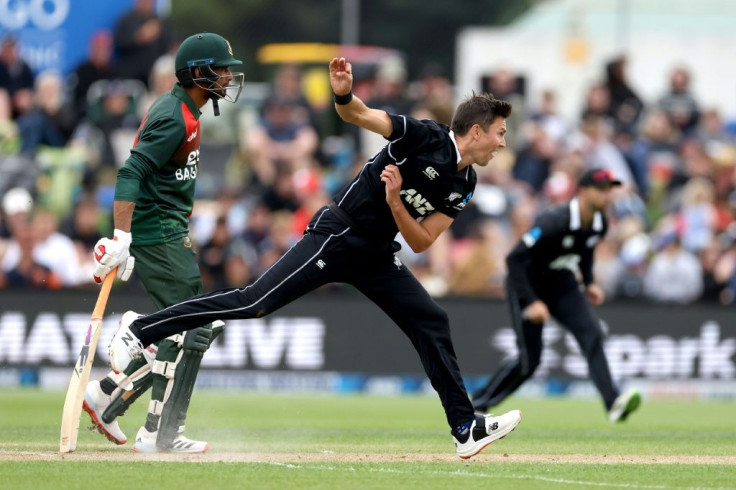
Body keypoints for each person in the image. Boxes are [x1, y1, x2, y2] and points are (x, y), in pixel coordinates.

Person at [107, 57, 522, 459]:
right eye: (500, 133)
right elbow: (361, 115)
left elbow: (423, 241)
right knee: (253, 302)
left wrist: (396, 202)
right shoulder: (423, 136)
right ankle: (141, 330)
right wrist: (343, 95)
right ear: (475, 131)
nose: (503, 143)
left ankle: (465, 429)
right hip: (338, 234)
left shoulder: (465, 181)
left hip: (377, 253)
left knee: (432, 320)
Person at [82, 32, 245, 454]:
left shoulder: (186, 110)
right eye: (220, 69)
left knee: (192, 328)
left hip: (170, 230)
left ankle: (105, 396)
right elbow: (129, 171)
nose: (227, 77)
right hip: (159, 234)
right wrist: (123, 236)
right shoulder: (174, 115)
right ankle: (160, 430)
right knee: (197, 326)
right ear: (196, 73)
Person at [472, 168, 642, 423]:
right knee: (530, 362)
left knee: (592, 333)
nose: (608, 195)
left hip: (562, 283)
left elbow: (585, 251)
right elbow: (515, 260)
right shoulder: (553, 220)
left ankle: (613, 402)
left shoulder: (600, 223)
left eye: (610, 189)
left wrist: (590, 281)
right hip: (527, 283)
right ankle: (477, 405)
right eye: (602, 189)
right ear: (583, 191)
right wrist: (531, 302)